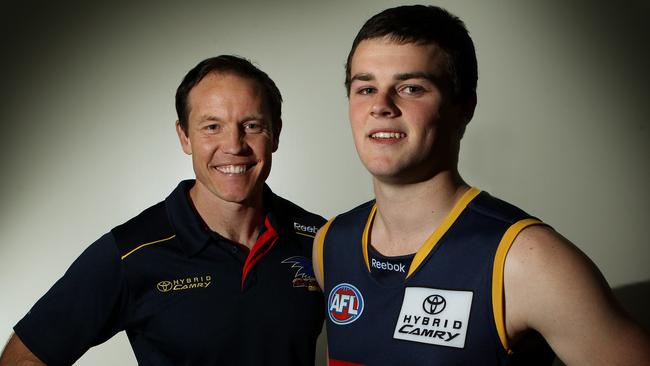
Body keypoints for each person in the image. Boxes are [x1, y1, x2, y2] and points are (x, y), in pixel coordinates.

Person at [313, 5, 650, 366]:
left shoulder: (526, 259)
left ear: (464, 107)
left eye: (411, 88)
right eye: (365, 88)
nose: (381, 106)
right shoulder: (331, 243)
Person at [1, 55, 325, 366]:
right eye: (212, 127)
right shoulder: (132, 253)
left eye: (252, 125)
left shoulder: (321, 241)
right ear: (184, 136)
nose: (234, 145)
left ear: (276, 133)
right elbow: (23, 358)